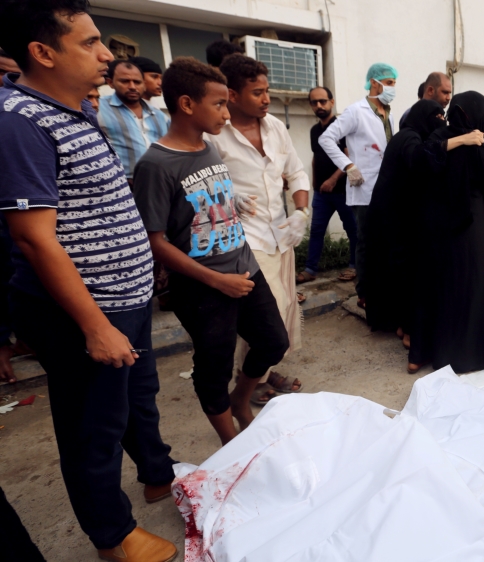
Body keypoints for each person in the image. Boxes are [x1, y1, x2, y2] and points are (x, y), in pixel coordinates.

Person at [0, 1, 177, 559]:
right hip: (84, 311)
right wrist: (95, 326)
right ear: (43, 52)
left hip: (123, 300)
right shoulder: (19, 122)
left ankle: (156, 473)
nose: (107, 55)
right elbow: (34, 238)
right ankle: (113, 536)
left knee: (135, 400)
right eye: (90, 43)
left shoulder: (70, 110)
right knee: (92, 427)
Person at [133, 57, 288, 444]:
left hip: (244, 270)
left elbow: (206, 205)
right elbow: (155, 242)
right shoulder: (155, 165)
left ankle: (241, 400)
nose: (226, 111)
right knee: (213, 367)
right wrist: (216, 280)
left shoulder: (209, 148)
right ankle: (229, 441)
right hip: (203, 287)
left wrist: (235, 205)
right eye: (219, 104)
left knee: (274, 341)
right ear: (187, 104)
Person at [209, 54, 307, 404]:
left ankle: (263, 370)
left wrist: (301, 211)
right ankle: (246, 383)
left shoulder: (276, 128)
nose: (266, 99)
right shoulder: (215, 135)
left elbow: (296, 172)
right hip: (244, 238)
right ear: (233, 95)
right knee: (271, 311)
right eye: (258, 92)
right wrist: (226, 196)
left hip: (281, 231)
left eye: (267, 91)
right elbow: (196, 188)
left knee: (287, 307)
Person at [366, 100, 484, 368]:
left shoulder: (411, 135)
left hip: (394, 214)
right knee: (407, 274)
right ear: (421, 116)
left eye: (443, 115)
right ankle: (408, 329)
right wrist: (461, 140)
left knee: (399, 272)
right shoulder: (409, 137)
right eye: (436, 115)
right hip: (393, 217)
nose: (441, 120)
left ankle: (400, 325)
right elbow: (421, 158)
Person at [409, 91, 484, 373]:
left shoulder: (438, 138)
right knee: (472, 285)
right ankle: (466, 352)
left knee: (441, 285)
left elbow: (422, 162)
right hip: (472, 227)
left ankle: (431, 349)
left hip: (438, 224)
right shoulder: (478, 145)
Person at [319, 62, 398, 308]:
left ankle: (382, 286)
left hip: (385, 187)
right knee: (365, 242)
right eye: (390, 83)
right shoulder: (356, 111)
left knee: (384, 240)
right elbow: (327, 138)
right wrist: (348, 166)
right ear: (375, 82)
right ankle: (364, 292)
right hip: (363, 187)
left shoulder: (389, 113)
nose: (393, 88)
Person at [296, 86, 358, 285]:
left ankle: (355, 266)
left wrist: (332, 180)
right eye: (314, 102)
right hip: (321, 194)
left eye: (323, 101)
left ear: (332, 102)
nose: (319, 105)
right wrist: (314, 184)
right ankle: (310, 269)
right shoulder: (315, 131)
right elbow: (316, 158)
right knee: (316, 230)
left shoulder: (341, 127)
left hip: (343, 191)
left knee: (352, 229)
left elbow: (349, 158)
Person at [97, 59, 170, 181]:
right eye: (125, 81)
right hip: (120, 185)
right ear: (110, 82)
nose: (132, 87)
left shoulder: (160, 116)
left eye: (137, 82)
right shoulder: (99, 109)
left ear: (144, 84)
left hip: (158, 183)